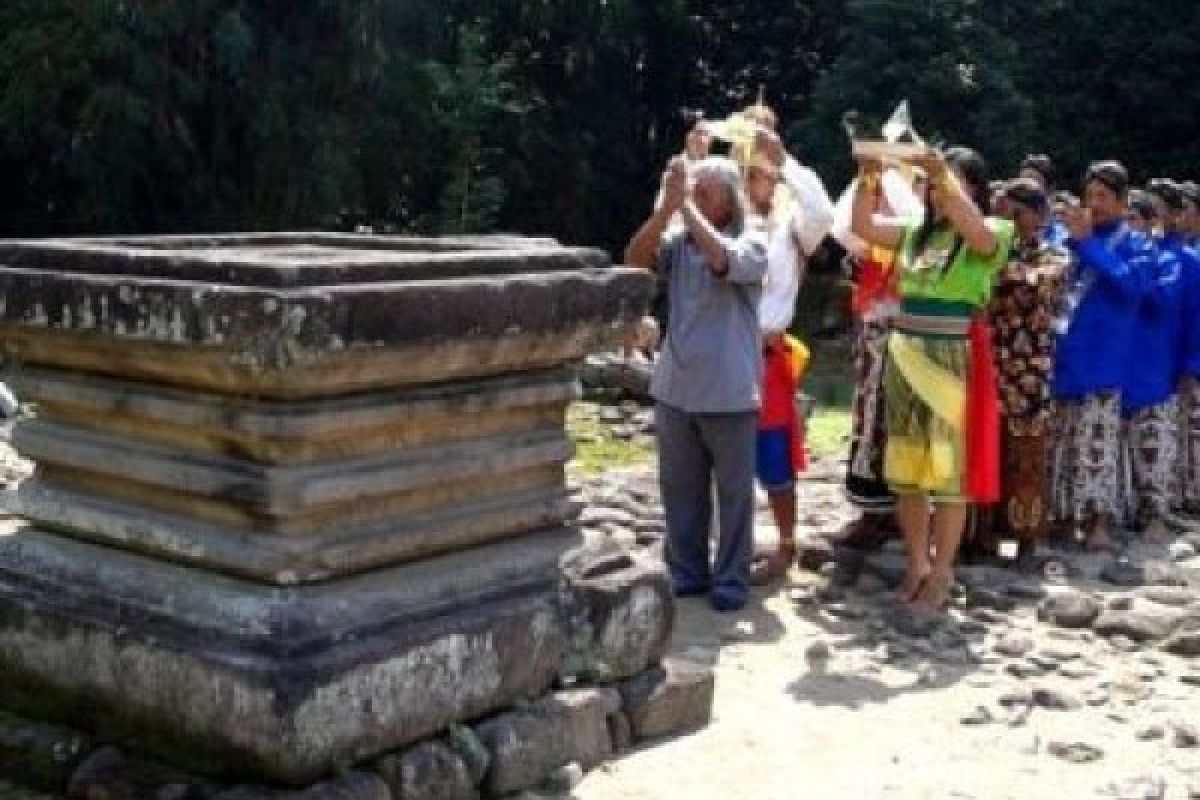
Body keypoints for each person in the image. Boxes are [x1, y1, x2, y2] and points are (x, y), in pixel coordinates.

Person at [851, 146, 1015, 610]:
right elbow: (863, 227)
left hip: (950, 356)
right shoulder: (913, 234)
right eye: (930, 182)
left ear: (974, 189)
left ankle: (942, 573)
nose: (936, 190)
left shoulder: (992, 230)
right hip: (905, 352)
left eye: (950, 181)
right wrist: (869, 178)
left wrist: (940, 171)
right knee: (907, 470)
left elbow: (980, 239)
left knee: (947, 471)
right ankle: (916, 564)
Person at [625, 155, 769, 612]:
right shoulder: (678, 241)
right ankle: (687, 572)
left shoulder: (752, 239)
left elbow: (723, 260)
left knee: (734, 497)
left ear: (729, 200)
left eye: (706, 192)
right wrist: (666, 209)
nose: (698, 199)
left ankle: (730, 581)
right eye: (696, 190)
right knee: (680, 489)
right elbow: (634, 261)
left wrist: (685, 208)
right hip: (675, 388)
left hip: (729, 391)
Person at [742, 125, 835, 582]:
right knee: (721, 453)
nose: (753, 178)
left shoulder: (793, 227)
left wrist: (787, 162)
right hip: (719, 356)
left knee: (772, 453)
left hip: (765, 353)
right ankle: (728, 544)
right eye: (747, 170)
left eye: (761, 171)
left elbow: (823, 210)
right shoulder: (721, 217)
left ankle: (784, 544)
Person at [1052, 161, 1151, 552]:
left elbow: (1132, 287)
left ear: (1124, 202)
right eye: (1089, 196)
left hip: (1105, 358)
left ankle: (1099, 524)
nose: (1095, 204)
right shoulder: (1066, 239)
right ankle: (1060, 517)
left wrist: (1090, 245)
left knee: (1099, 443)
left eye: (1104, 197)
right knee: (1062, 441)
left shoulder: (1136, 243)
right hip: (1065, 354)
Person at [981, 178, 1069, 557]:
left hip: (1029, 374)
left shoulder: (1054, 255)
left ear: (1038, 216)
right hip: (989, 367)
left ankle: (1026, 539)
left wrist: (1001, 268)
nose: (1008, 221)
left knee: (1027, 455)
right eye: (1001, 212)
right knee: (986, 450)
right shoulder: (986, 251)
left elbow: (1036, 283)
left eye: (1016, 213)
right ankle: (980, 537)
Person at [1019, 154, 1069, 246]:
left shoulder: (1066, 237)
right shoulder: (1009, 232)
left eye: (1033, 182)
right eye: (1022, 183)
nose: (1026, 188)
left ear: (1051, 191)